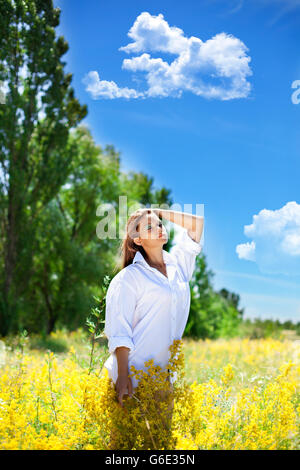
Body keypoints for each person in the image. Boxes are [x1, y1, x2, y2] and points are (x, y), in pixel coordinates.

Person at [102, 207, 204, 449]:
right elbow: (120, 331)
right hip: (132, 376)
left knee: (160, 446)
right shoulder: (128, 278)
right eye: (149, 227)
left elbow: (197, 223)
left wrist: (155, 211)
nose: (159, 228)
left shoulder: (178, 264)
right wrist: (124, 377)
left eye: (159, 224)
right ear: (137, 240)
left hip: (163, 377)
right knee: (124, 448)